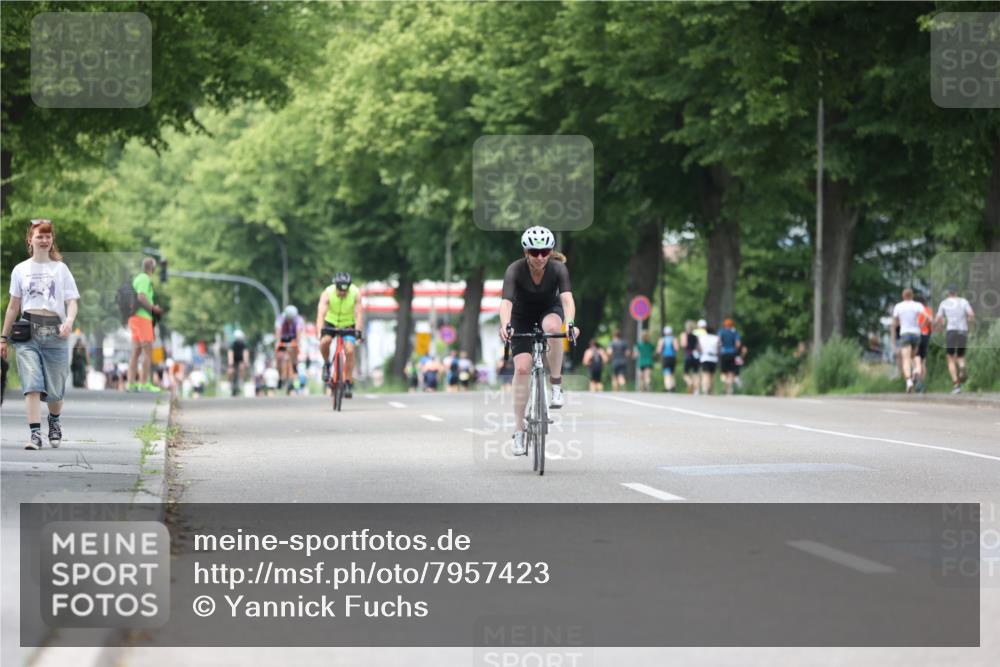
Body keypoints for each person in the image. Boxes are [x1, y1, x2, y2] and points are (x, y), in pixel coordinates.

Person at [498, 226, 578, 457]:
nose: (540, 257)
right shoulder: (514, 270)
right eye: (535, 252)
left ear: (550, 251)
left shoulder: (558, 268)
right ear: (526, 252)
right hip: (520, 317)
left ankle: (555, 384)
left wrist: (570, 323)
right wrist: (505, 325)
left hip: (548, 311)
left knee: (554, 328)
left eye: (545, 251)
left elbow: (567, 299)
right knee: (522, 368)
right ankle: (519, 430)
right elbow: (506, 303)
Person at [1, 219, 80, 450]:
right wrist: (3, 338)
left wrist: (69, 320)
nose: (44, 240)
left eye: (48, 236)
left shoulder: (60, 269)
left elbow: (71, 301)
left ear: (52, 239)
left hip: (55, 331)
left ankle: (54, 420)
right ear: (30, 240)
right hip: (27, 330)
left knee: (55, 392)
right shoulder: (20, 270)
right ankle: (35, 435)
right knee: (32, 383)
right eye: (39, 236)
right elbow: (13, 307)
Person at [317, 271, 363, 398]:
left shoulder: (355, 293)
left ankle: (348, 382)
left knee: (349, 350)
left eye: (345, 290)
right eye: (340, 289)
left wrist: (358, 331)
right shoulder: (327, 293)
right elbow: (320, 314)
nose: (342, 292)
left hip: (348, 324)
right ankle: (326, 364)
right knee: (325, 342)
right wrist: (319, 331)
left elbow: (359, 314)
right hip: (330, 322)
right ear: (335, 285)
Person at [127, 257, 163, 393]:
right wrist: (153, 309)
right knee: (148, 351)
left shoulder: (137, 278)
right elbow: (141, 297)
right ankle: (144, 383)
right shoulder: (145, 279)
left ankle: (131, 383)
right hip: (143, 318)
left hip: (135, 318)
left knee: (136, 351)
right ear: (152, 268)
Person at [935, 284, 975, 394]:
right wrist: (970, 325)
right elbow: (971, 314)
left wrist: (938, 327)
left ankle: (956, 384)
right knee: (961, 355)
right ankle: (962, 367)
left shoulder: (944, 303)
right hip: (963, 331)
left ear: (949, 292)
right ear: (956, 292)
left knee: (950, 358)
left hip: (951, 331)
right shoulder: (963, 301)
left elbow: (938, 319)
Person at [891, 288, 925, 393]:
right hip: (916, 334)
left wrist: (893, 336)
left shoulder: (898, 306)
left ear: (903, 296)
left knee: (906, 359)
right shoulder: (917, 305)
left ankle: (909, 381)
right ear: (912, 296)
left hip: (905, 334)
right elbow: (927, 317)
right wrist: (920, 326)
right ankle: (915, 370)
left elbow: (894, 323)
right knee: (914, 356)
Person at [275, 304, 304, 394]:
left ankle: (295, 376)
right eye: (289, 319)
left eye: (292, 320)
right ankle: (280, 377)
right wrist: (278, 342)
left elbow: (299, 332)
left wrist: (298, 344)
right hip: (283, 338)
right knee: (279, 357)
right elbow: (278, 331)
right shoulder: (280, 319)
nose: (290, 321)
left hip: (293, 339)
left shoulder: (299, 320)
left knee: (294, 358)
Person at [915, 294, 933, 393]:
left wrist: (920, 326)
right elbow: (931, 322)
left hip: (916, 335)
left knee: (915, 359)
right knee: (923, 362)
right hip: (925, 335)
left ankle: (916, 378)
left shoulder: (915, 309)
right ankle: (921, 383)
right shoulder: (928, 310)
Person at [719, 318, 742, 395]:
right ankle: (729, 389)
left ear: (725, 325)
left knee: (723, 373)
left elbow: (719, 342)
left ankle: (726, 385)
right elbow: (738, 344)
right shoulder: (735, 333)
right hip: (732, 353)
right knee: (731, 372)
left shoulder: (721, 332)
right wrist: (734, 349)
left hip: (724, 353)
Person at [697, 325, 721, 395]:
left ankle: (705, 389)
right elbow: (718, 348)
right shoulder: (716, 338)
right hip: (713, 358)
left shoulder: (702, 338)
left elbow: (699, 348)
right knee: (712, 375)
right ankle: (711, 389)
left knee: (705, 374)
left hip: (705, 357)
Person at [655, 325, 678, 392]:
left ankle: (668, 387)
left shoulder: (662, 339)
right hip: (672, 358)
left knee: (666, 373)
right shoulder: (674, 339)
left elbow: (659, 350)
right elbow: (676, 349)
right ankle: (673, 386)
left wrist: (658, 354)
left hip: (665, 358)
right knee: (672, 373)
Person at [228, 329, 249, 397]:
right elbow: (230, 354)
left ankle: (241, 381)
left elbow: (245, 353)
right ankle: (231, 383)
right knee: (230, 371)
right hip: (234, 360)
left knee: (241, 367)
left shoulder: (244, 344)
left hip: (241, 360)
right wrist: (230, 365)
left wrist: (246, 362)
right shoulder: (232, 345)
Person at [681, 320, 700, 394]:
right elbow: (698, 347)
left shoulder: (684, 334)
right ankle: (696, 390)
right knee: (696, 373)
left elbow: (684, 344)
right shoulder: (696, 336)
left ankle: (690, 382)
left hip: (688, 355)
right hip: (695, 356)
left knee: (685, 374)